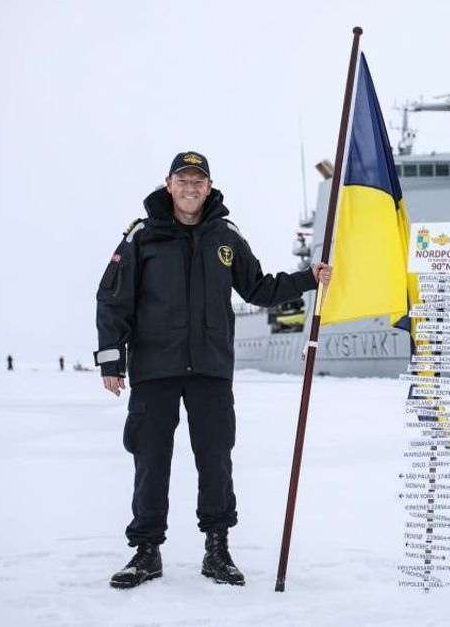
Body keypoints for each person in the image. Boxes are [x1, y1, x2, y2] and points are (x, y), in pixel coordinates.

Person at [95, 150, 332, 590]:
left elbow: (259, 287)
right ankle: (146, 552)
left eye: (197, 181)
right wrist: (113, 358)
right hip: (155, 368)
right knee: (151, 461)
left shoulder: (225, 235)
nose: (190, 188)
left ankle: (217, 549)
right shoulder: (142, 237)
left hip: (210, 368)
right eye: (182, 180)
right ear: (169, 184)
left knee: (216, 460)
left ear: (208, 186)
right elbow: (113, 298)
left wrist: (306, 277)